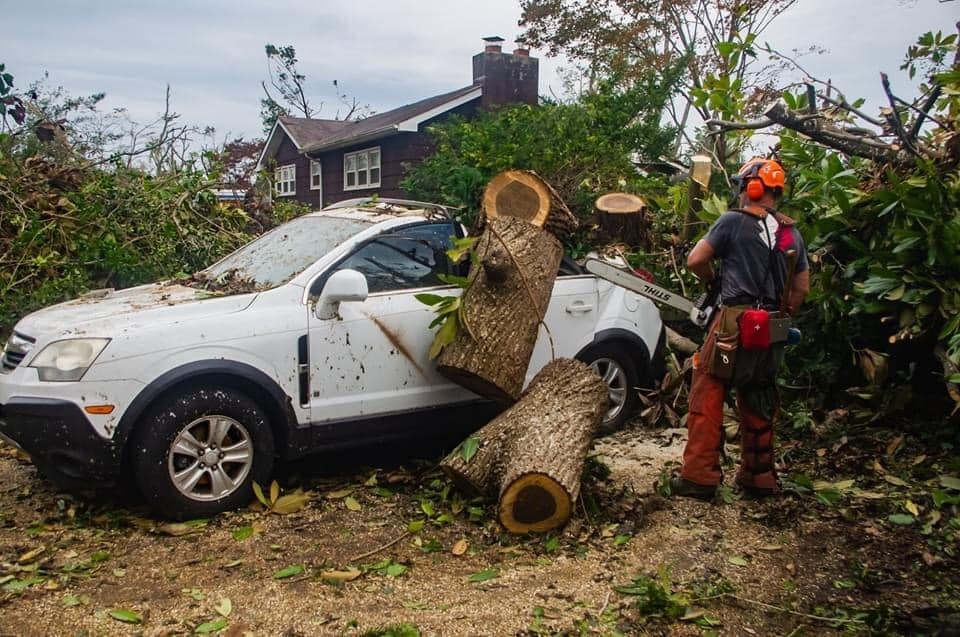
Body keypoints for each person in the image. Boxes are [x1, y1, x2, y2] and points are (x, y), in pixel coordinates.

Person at [667, 158, 810, 500]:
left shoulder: (733, 220)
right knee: (759, 392)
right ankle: (758, 478)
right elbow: (802, 288)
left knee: (708, 387)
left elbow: (695, 260)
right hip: (773, 323)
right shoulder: (792, 232)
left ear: (752, 187)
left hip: (734, 319)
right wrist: (781, 312)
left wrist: (713, 281)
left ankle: (698, 476)